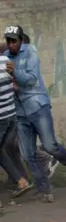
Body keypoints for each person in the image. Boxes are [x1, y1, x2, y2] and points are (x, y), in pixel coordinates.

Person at [4, 25, 66, 203]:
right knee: (27, 155)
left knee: (49, 146)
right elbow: (8, 83)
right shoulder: (6, 58)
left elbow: (31, 79)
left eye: (13, 41)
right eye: (8, 41)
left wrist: (14, 72)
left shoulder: (30, 52)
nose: (10, 45)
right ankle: (44, 189)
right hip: (21, 113)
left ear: (21, 40)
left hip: (38, 106)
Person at [0, 51, 32, 198]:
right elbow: (15, 85)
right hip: (11, 115)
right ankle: (22, 181)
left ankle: (20, 181)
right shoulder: (5, 60)